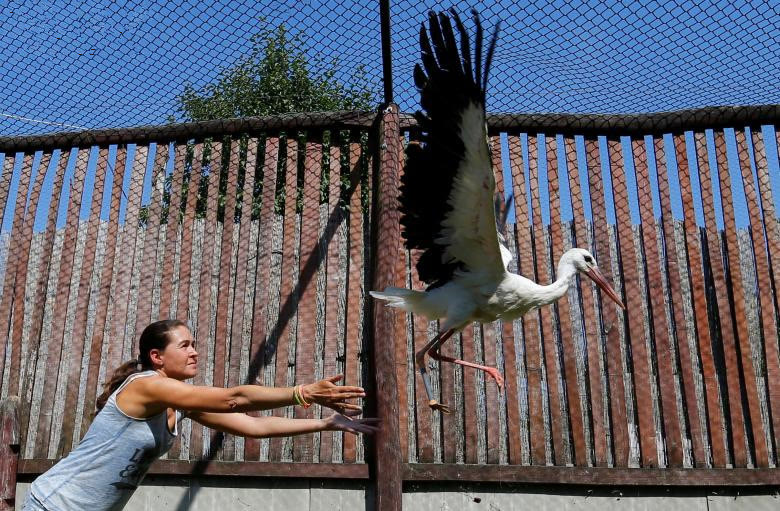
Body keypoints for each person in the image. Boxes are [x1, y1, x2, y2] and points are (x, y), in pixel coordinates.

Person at [23, 319, 378, 510]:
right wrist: (301, 392)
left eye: (194, 344)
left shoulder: (182, 402)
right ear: (157, 356)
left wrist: (327, 423)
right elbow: (234, 399)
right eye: (185, 345)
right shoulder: (145, 385)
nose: (194, 352)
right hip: (56, 503)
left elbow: (254, 427)